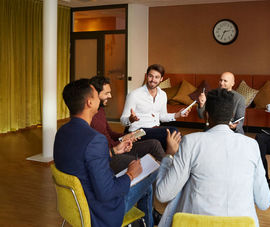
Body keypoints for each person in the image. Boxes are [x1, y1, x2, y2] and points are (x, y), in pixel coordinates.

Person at [156, 89, 270, 227]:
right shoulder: (251, 145)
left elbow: (162, 194)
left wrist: (169, 156)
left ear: (206, 115)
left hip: (198, 223)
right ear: (233, 115)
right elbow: (264, 203)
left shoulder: (191, 142)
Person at [54, 79, 155, 227]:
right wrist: (130, 174)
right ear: (89, 102)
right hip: (99, 213)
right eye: (96, 95)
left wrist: (113, 151)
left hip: (73, 208)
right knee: (151, 175)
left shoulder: (62, 132)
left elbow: (81, 161)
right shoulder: (95, 139)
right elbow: (107, 192)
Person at [90, 76, 165, 174]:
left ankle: (167, 174)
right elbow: (107, 147)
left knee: (154, 144)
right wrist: (123, 141)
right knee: (139, 162)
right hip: (109, 154)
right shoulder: (92, 118)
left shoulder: (100, 110)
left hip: (116, 146)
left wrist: (126, 136)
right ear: (95, 94)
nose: (110, 96)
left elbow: (110, 133)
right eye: (107, 93)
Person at [120, 64, 189, 150]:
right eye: (150, 76)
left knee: (178, 138)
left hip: (154, 129)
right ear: (146, 76)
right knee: (172, 131)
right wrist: (131, 119)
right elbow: (123, 120)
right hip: (137, 132)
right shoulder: (134, 95)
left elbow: (162, 116)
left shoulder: (163, 95)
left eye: (157, 77)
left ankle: (174, 159)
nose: (153, 80)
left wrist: (177, 115)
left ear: (161, 79)